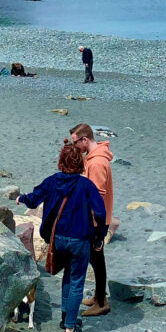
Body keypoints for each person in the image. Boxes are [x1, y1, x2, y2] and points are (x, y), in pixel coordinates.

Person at [20, 140, 108, 332]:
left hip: (57, 238)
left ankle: (64, 317)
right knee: (76, 279)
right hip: (79, 240)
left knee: (67, 276)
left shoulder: (52, 181)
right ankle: (70, 325)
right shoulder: (86, 185)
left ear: (61, 161)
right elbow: (100, 213)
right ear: (80, 163)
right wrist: (100, 234)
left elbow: (34, 198)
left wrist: (20, 198)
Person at [69, 124, 117, 317]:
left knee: (97, 260)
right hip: (97, 217)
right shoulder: (93, 158)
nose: (74, 147)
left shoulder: (97, 163)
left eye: (75, 142)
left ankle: (101, 301)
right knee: (96, 259)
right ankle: (98, 296)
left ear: (84, 140)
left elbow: (96, 196)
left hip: (96, 219)